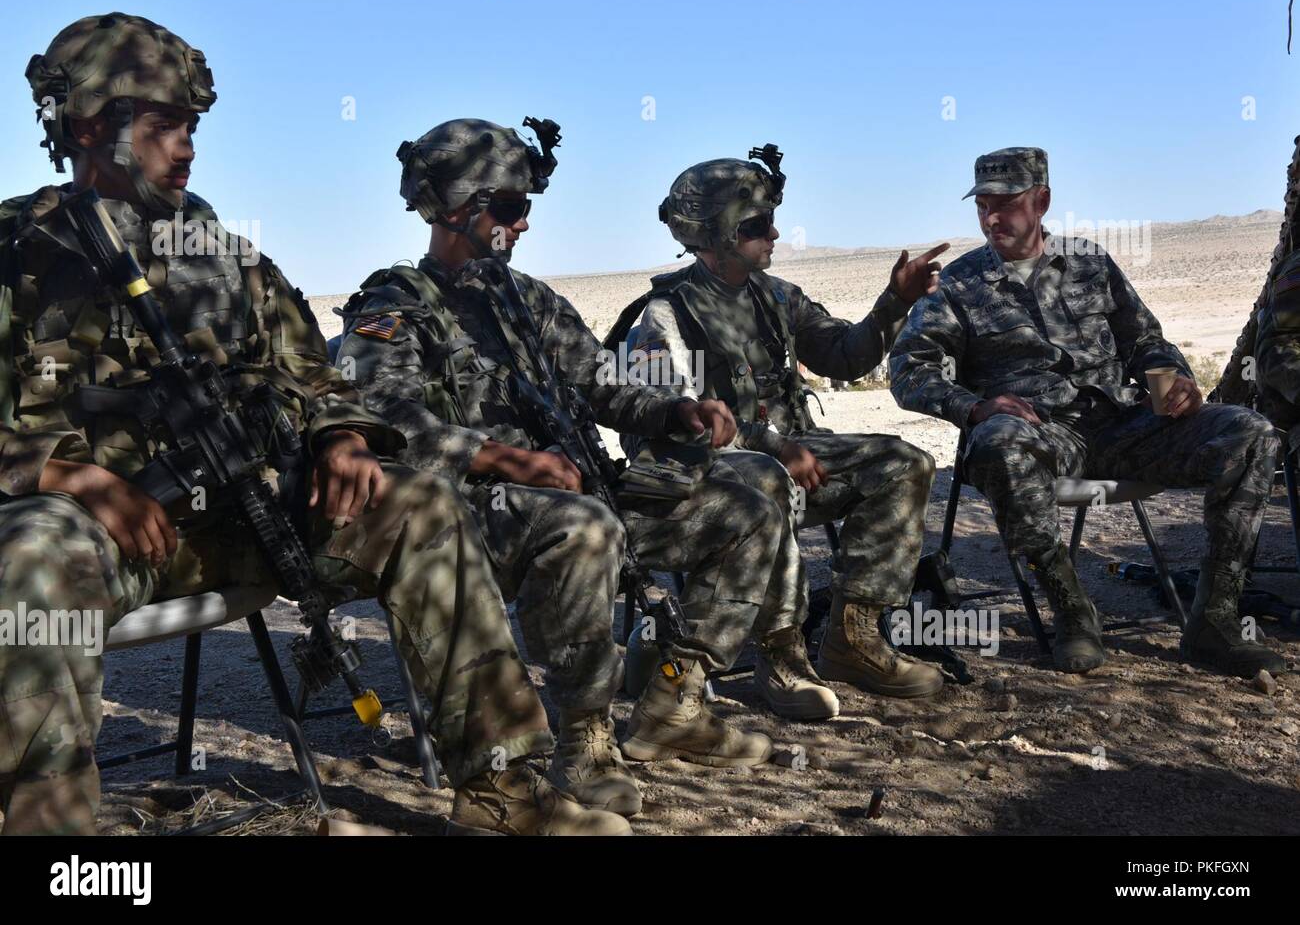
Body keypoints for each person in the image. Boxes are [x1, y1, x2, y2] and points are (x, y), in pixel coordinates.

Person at [0, 14, 629, 836]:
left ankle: (500, 783)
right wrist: (64, 474)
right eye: (164, 126)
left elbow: (317, 374)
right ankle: (54, 837)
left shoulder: (222, 250)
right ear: (88, 124)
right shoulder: (20, 247)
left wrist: (340, 437)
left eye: (194, 126)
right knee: (33, 551)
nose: (187, 147)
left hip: (247, 514)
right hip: (107, 537)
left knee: (419, 504)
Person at [336, 118, 786, 818]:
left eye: (525, 208)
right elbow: (381, 423)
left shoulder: (530, 303)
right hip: (468, 516)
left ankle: (676, 699)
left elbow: (605, 384)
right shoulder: (393, 308)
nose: (523, 225)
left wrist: (678, 412)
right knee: (584, 530)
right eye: (511, 208)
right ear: (457, 207)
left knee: (746, 510)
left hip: (578, 492)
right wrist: (502, 457)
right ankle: (585, 738)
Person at [890, 146, 1283, 678]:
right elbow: (910, 372)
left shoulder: (1091, 263)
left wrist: (1175, 380)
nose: (992, 217)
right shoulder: (958, 284)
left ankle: (1214, 622)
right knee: (1001, 443)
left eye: (1007, 203)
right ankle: (1072, 611)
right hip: (1040, 437)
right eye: (982, 204)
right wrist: (976, 406)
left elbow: (1146, 341)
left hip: (1123, 426)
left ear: (1042, 200)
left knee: (1250, 432)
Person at [610, 147, 948, 711]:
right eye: (756, 224)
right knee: (769, 479)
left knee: (904, 463)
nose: (774, 233)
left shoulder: (776, 297)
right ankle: (781, 658)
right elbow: (671, 419)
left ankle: (854, 639)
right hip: (712, 475)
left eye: (772, 218)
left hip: (791, 455)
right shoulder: (664, 314)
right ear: (714, 234)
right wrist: (772, 446)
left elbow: (843, 357)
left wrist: (896, 302)